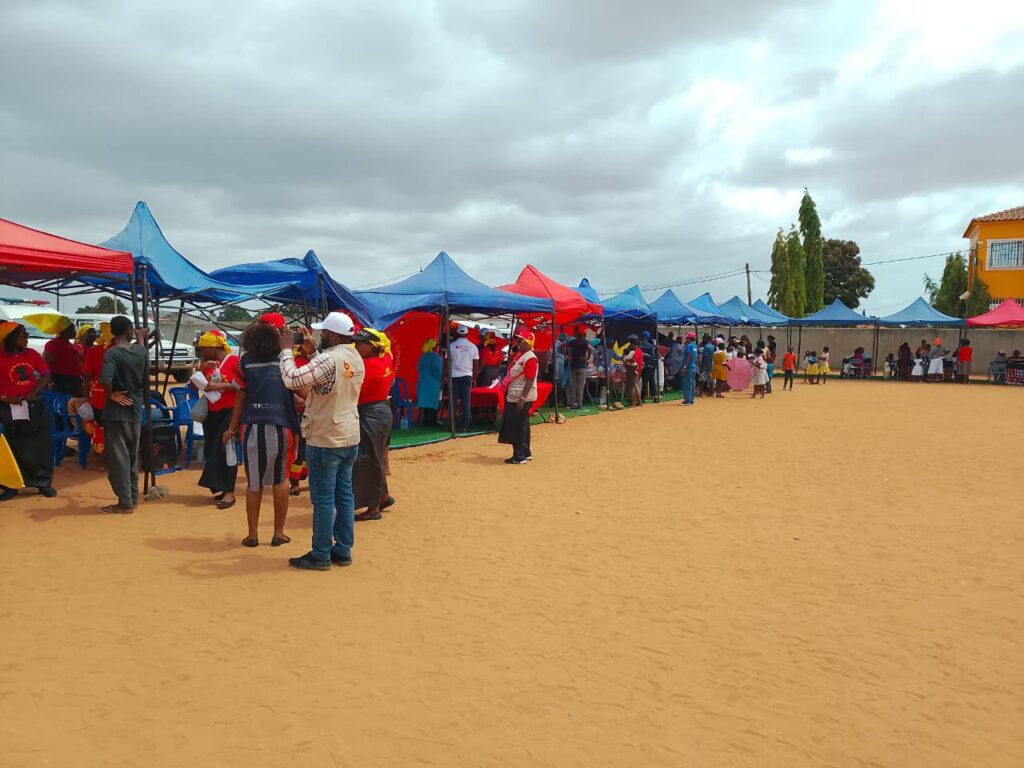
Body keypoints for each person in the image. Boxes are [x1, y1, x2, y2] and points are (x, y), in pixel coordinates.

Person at [278, 312, 365, 571]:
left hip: (326, 436)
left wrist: (286, 351)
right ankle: (343, 549)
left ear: (334, 335)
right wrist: (313, 353)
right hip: (348, 433)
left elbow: (292, 379)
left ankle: (320, 554)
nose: (320, 335)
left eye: (324, 332)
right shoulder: (354, 356)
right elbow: (329, 380)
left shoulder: (329, 358)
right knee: (344, 495)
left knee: (324, 499)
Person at [223, 315, 300, 546]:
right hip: (281, 425)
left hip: (251, 427)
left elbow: (240, 397)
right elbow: (301, 391)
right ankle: (278, 533)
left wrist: (231, 428)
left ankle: (253, 535)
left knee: (254, 483)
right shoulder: (286, 361)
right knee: (281, 480)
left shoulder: (244, 363)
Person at [98, 316, 149, 514]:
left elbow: (105, 379)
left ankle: (125, 502)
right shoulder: (140, 351)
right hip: (135, 410)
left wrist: (111, 394)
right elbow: (141, 352)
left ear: (112, 332)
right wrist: (141, 338)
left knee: (119, 458)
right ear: (129, 331)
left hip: (116, 412)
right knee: (132, 456)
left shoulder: (112, 353)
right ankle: (132, 498)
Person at [0, 322, 56, 501]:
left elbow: (46, 374)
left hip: (32, 405)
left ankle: (43, 482)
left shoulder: (31, 354)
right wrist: (4, 397)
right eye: (23, 335)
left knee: (40, 445)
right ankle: (11, 485)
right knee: (13, 446)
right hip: (8, 408)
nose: (27, 339)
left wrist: (35, 390)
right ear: (10, 338)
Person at [352, 328, 396, 522]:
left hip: (370, 413)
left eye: (360, 343)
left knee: (368, 460)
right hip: (382, 409)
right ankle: (383, 497)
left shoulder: (368, 365)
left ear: (371, 346)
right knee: (375, 457)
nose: (356, 346)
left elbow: (355, 391)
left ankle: (373, 508)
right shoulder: (385, 358)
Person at [193, 331, 239, 509]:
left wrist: (218, 386)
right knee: (212, 451)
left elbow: (241, 387)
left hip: (229, 412)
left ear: (213, 348)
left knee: (226, 451)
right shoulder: (208, 364)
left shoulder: (234, 361)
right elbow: (192, 385)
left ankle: (230, 492)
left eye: (204, 349)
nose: (202, 352)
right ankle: (221, 486)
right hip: (212, 414)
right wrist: (201, 369)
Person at [497, 330, 538, 464]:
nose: (518, 343)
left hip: (520, 396)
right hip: (517, 394)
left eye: (521, 341)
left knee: (517, 425)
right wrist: (512, 353)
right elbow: (511, 368)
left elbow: (530, 379)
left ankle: (519, 456)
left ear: (527, 343)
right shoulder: (522, 356)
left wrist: (522, 399)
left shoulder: (530, 358)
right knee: (522, 424)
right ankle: (525, 452)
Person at [448, 325, 478, 432]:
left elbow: (447, 363)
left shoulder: (451, 346)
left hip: (454, 376)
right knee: (466, 402)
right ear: (467, 333)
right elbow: (476, 364)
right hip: (467, 376)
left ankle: (452, 426)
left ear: (457, 333)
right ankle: (464, 426)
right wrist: (474, 378)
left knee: (453, 401)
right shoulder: (473, 347)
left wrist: (446, 376)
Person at [43, 318, 83, 395]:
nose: (75, 331)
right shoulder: (54, 344)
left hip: (74, 380)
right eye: (72, 329)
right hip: (61, 381)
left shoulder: (70, 344)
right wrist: (51, 382)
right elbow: (45, 364)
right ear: (64, 331)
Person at [416, 338, 442, 426]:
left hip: (423, 381)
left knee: (425, 401)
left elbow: (418, 368)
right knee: (433, 401)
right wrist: (440, 379)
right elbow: (437, 371)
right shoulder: (436, 357)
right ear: (434, 347)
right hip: (433, 382)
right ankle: (433, 421)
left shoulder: (423, 356)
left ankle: (426, 420)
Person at [567, 326, 591, 409]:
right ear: (583, 334)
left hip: (573, 366)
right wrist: (587, 358)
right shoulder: (585, 342)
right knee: (580, 387)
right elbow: (589, 349)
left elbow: (562, 346)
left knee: (573, 386)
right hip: (581, 366)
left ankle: (572, 404)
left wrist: (568, 356)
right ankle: (580, 405)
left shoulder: (572, 342)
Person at [622, 335, 643, 406]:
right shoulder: (639, 350)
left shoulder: (634, 351)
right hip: (638, 369)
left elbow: (633, 360)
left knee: (632, 385)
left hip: (632, 369)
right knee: (635, 384)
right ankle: (639, 401)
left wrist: (625, 360)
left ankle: (634, 402)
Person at [680, 331, 698, 405]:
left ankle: (687, 400)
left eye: (687, 337)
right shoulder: (695, 346)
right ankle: (691, 399)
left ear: (689, 338)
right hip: (693, 367)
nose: (686, 339)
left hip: (688, 367)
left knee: (687, 384)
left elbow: (689, 356)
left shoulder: (689, 346)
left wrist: (684, 367)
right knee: (692, 383)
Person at [639, 331, 657, 402]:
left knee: (645, 381)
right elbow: (653, 357)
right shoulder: (651, 346)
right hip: (651, 365)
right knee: (652, 381)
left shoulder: (640, 345)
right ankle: (655, 396)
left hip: (644, 366)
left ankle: (643, 397)